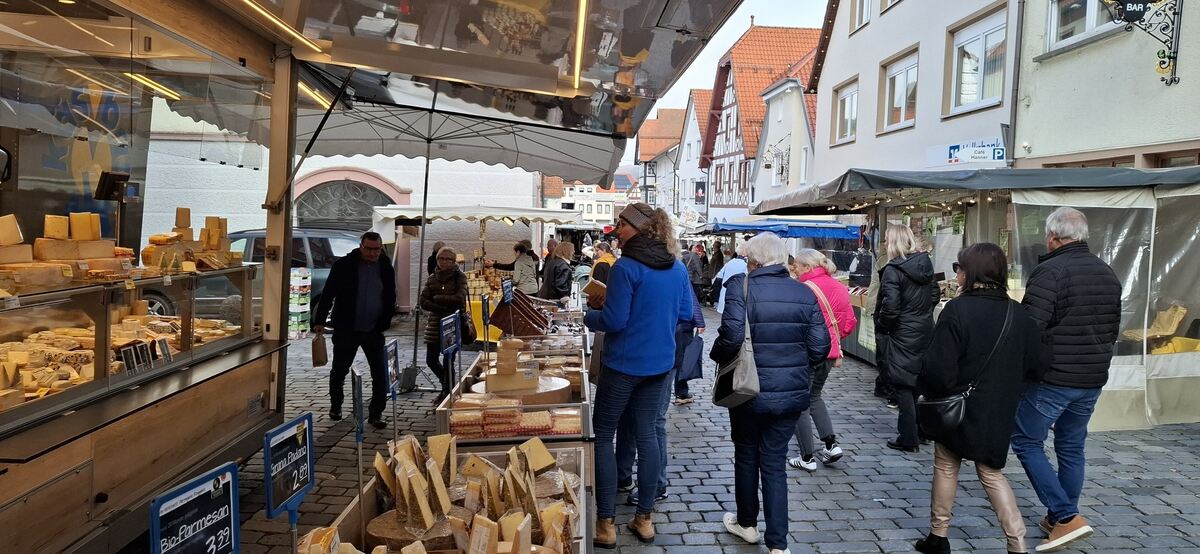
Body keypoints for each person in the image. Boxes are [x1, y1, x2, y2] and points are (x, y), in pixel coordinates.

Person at [913, 243, 1049, 554]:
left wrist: (931, 390)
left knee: (947, 466)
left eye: (959, 268)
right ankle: (1016, 542)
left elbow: (939, 368)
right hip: (998, 407)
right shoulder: (1018, 313)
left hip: (958, 405)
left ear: (970, 272)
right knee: (991, 471)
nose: (956, 274)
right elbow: (1038, 365)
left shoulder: (958, 310)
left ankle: (938, 534)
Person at [1011, 207, 1121, 553]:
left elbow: (1030, 328)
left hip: (1054, 377)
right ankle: (1058, 518)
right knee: (1071, 446)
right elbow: (1112, 327)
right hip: (1091, 375)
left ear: (1052, 237)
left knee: (1026, 440)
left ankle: (1066, 516)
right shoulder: (1107, 272)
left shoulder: (1050, 271)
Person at [712, 233, 829, 554]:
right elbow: (820, 346)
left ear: (753, 260)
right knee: (774, 464)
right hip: (789, 393)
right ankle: (779, 544)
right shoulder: (803, 292)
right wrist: (794, 365)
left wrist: (717, 355)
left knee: (747, 455)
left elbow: (731, 336)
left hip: (747, 389)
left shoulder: (741, 286)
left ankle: (747, 524)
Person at [585, 203, 692, 548]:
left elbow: (615, 321)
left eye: (621, 224)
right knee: (647, 436)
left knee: (603, 435)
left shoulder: (626, 267)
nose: (616, 229)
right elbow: (686, 312)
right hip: (660, 364)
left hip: (624, 363)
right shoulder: (676, 267)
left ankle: (605, 524)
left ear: (640, 228)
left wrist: (591, 315)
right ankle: (644, 519)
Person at [616, 279, 703, 507]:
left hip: (662, 351)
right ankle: (625, 475)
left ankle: (656, 485)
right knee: (633, 416)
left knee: (653, 420)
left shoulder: (672, 270)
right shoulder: (665, 268)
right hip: (653, 350)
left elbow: (687, 312)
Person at [312, 232, 397, 429]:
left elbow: (390, 295)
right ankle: (336, 406)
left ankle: (376, 413)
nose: (373, 253)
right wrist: (319, 320)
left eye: (377, 249)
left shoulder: (385, 266)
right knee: (339, 370)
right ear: (361, 246)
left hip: (374, 329)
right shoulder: (344, 265)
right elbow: (328, 293)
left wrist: (386, 320)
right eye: (369, 249)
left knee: (380, 372)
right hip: (346, 327)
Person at [787, 249, 857, 472]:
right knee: (815, 397)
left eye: (796, 265)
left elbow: (795, 323)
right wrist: (833, 341)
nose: (793, 269)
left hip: (807, 352)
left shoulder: (802, 289)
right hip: (829, 352)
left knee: (800, 402)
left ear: (807, 267)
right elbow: (849, 322)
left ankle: (807, 456)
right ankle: (830, 444)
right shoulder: (838, 286)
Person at [876, 223, 940, 453]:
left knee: (903, 384)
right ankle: (921, 431)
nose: (884, 243)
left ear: (893, 242)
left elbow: (890, 307)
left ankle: (908, 437)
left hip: (902, 332)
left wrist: (884, 326)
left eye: (886, 239)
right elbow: (935, 294)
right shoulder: (925, 264)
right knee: (916, 383)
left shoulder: (894, 270)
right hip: (923, 329)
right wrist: (921, 315)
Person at [420, 246, 469, 400]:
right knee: (431, 360)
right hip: (434, 324)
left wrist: (437, 298)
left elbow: (459, 299)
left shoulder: (459, 277)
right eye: (441, 258)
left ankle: (447, 392)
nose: (444, 261)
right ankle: (447, 383)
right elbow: (423, 301)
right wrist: (441, 306)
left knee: (449, 359)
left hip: (452, 324)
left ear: (453, 261)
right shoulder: (432, 278)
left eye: (448, 259)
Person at [713, 246, 747, 313]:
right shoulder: (746, 265)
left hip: (725, 295)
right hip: (738, 297)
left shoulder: (729, 263)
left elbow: (719, 277)